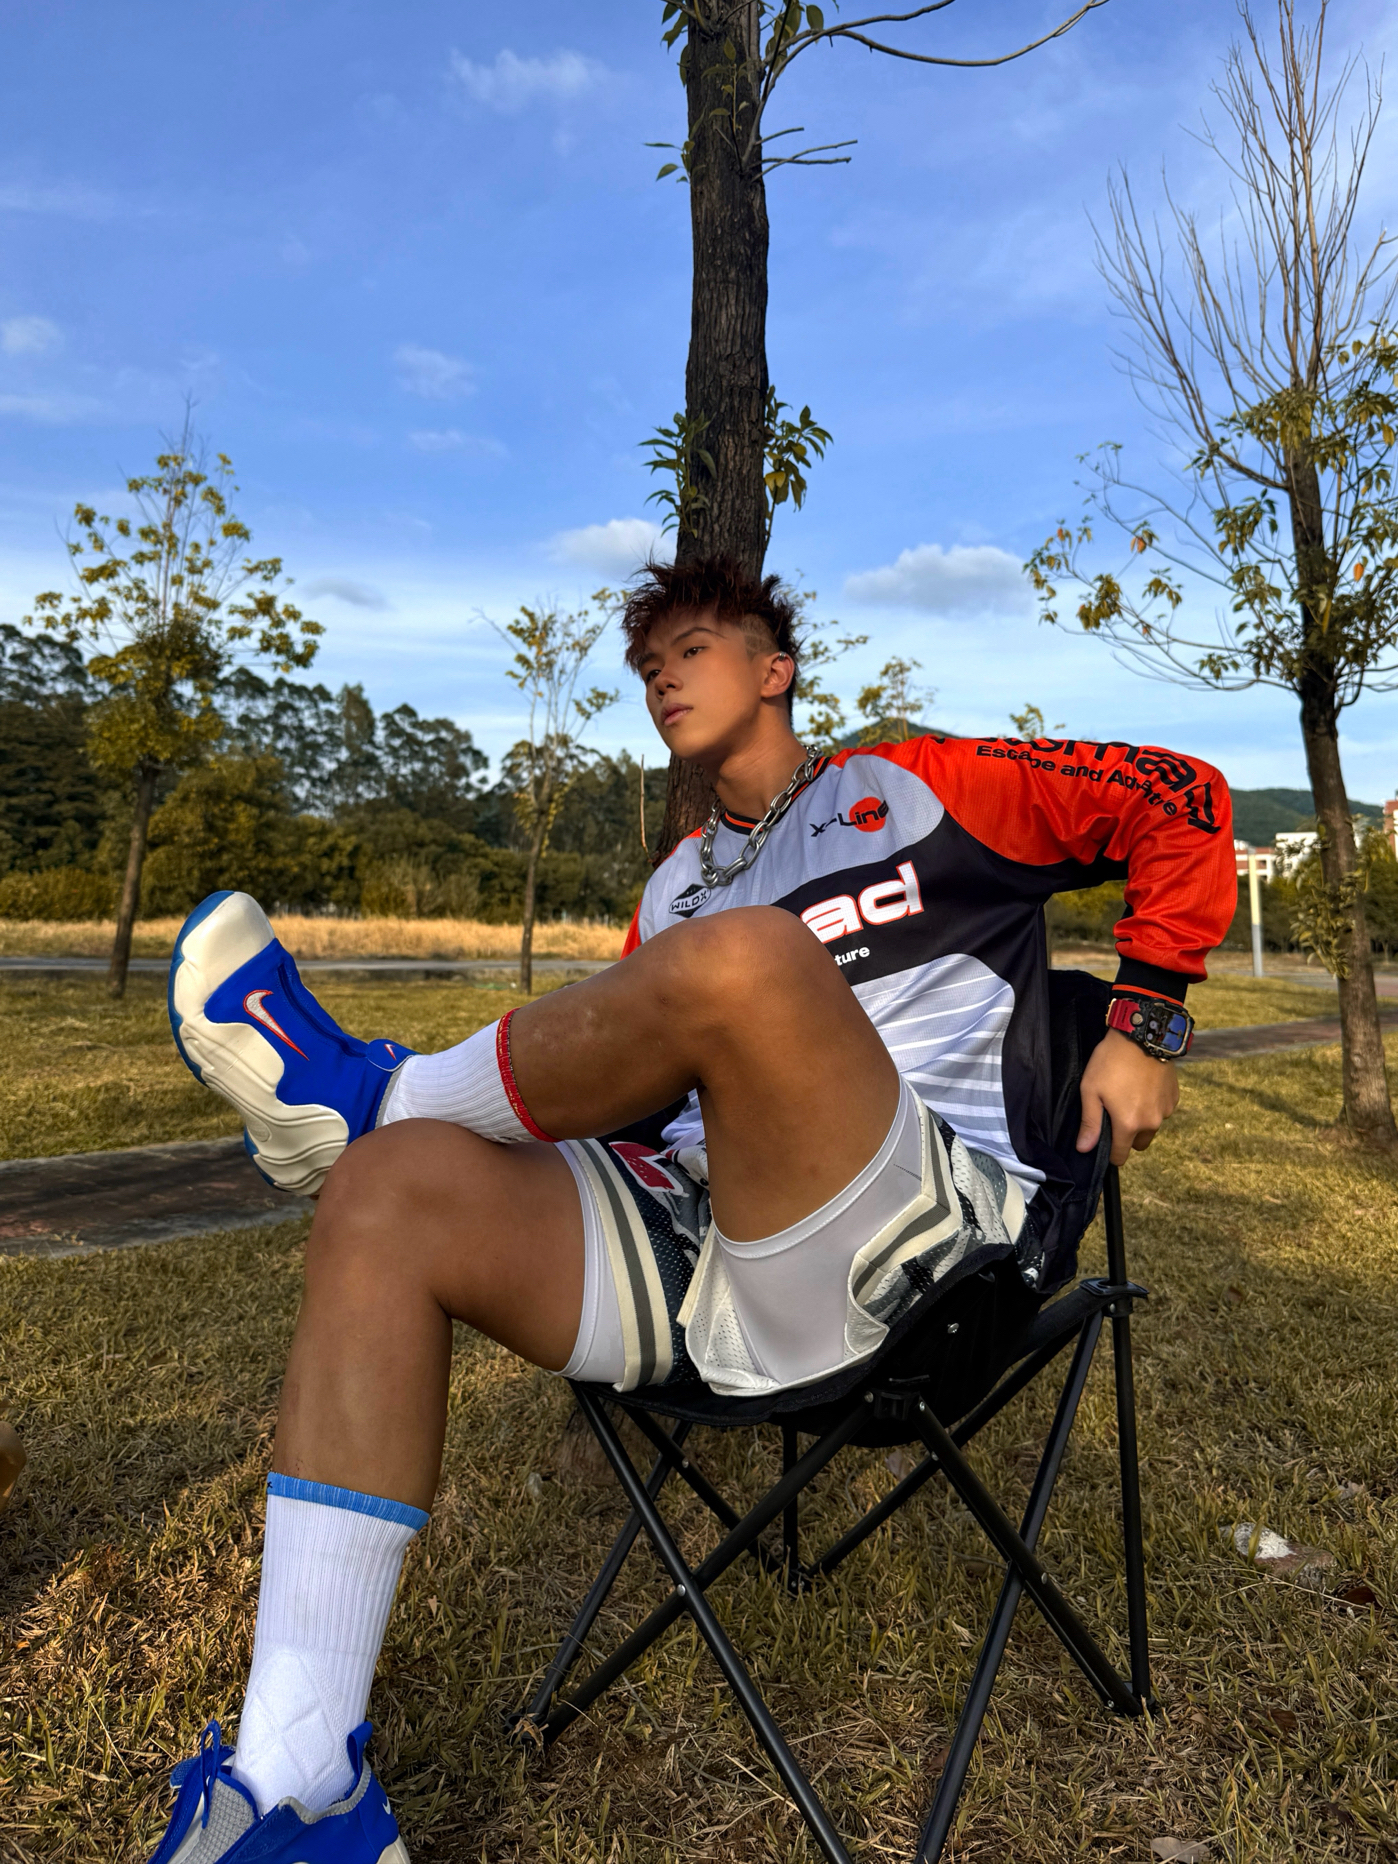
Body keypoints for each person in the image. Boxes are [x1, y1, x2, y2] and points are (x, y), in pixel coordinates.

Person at [143, 555, 1234, 1862]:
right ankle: (299, 1784)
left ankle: (373, 1096)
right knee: (386, 1199)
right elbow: (618, 1105)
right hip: (714, 1262)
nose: (663, 678)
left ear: (775, 668)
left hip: (929, 1252)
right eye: (648, 665)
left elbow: (1180, 795)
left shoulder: (920, 784)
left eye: (694, 648)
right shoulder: (673, 890)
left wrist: (1146, 1018)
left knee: (747, 961)